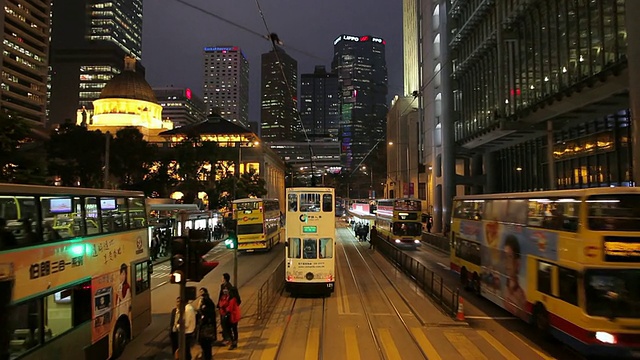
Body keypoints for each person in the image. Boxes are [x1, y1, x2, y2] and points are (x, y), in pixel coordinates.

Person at [503, 235, 527, 319]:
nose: (507, 262)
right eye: (505, 257)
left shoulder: (521, 298)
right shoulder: (504, 288)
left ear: (517, 263)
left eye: (510, 257)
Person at [197, 288, 216, 360]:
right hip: (205, 328)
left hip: (206, 328)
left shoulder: (207, 303)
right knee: (205, 345)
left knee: (206, 345)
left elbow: (206, 314)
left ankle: (207, 357)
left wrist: (202, 317)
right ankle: (206, 355)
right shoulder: (204, 302)